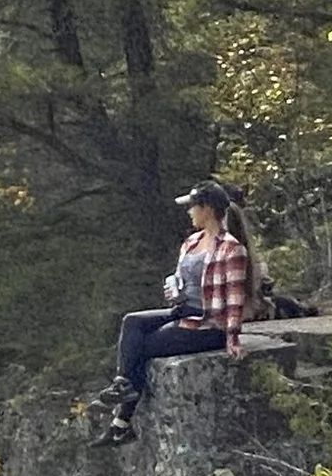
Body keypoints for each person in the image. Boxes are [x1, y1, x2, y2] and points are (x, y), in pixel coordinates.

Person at [103, 183, 252, 443]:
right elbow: (182, 278)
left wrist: (233, 338)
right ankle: (122, 387)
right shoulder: (191, 242)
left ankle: (121, 422)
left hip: (207, 323)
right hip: (184, 309)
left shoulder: (231, 248)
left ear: (206, 209)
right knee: (132, 322)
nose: (189, 213)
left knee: (143, 347)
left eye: (193, 207)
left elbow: (235, 298)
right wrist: (174, 289)